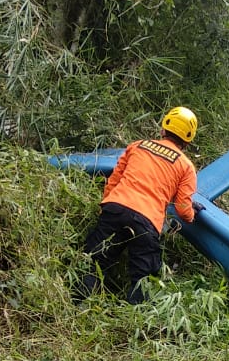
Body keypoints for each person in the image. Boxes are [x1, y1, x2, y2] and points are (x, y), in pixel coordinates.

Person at [76, 106, 200, 303]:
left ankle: (77, 305)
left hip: (115, 207)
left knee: (94, 262)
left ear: (163, 129)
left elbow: (113, 181)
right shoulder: (186, 167)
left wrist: (105, 209)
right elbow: (183, 210)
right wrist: (193, 213)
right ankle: (130, 323)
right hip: (146, 221)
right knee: (142, 279)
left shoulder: (138, 146)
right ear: (188, 140)